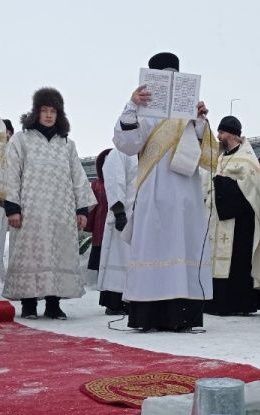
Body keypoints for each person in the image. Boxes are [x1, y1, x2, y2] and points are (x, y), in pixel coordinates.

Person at [112, 52, 218, 331]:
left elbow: (207, 155)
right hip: (154, 190)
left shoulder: (188, 113)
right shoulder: (143, 112)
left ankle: (182, 316)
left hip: (186, 195)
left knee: (184, 246)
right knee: (152, 246)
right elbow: (127, 144)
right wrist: (132, 105)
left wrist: (200, 121)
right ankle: (148, 316)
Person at [2, 88, 96, 320]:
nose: (48, 115)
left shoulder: (67, 144)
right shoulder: (21, 139)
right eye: (44, 110)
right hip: (30, 209)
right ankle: (29, 303)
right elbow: (11, 172)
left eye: (53, 111)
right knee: (31, 254)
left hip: (60, 210)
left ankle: (54, 303)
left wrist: (81, 209)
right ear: (36, 112)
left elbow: (78, 177)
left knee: (57, 253)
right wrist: (12, 207)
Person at [204, 116, 260, 316]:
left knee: (236, 261)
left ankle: (235, 304)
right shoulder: (220, 158)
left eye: (221, 132)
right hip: (217, 217)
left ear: (231, 133)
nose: (218, 136)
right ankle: (214, 301)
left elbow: (250, 190)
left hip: (238, 221)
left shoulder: (248, 159)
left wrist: (222, 184)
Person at [98, 148, 139, 315]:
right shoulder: (120, 153)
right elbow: (115, 182)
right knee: (120, 258)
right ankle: (115, 302)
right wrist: (119, 211)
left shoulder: (147, 151)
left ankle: (132, 299)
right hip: (124, 214)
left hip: (142, 214)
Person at [85, 149, 111, 287]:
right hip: (100, 224)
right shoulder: (96, 184)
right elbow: (92, 206)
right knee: (100, 253)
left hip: (116, 222)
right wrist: (88, 224)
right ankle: (100, 282)